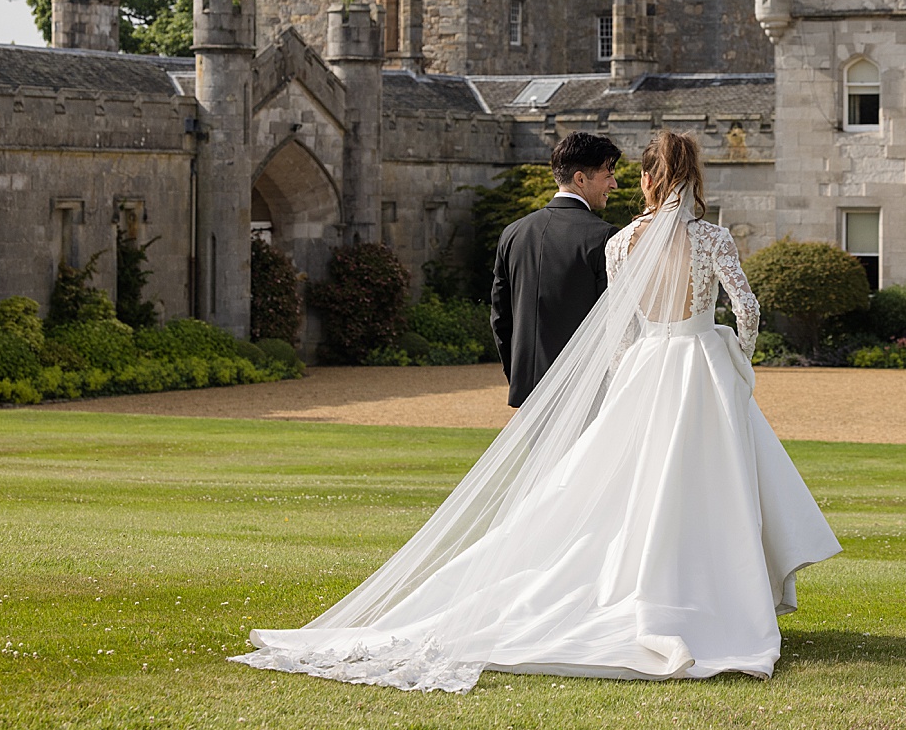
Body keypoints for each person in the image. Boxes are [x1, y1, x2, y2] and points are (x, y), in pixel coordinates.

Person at [231, 131, 841, 693]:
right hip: (700, 363)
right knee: (710, 485)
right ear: (695, 177)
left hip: (645, 367)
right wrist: (736, 355)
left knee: (623, 491)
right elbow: (749, 309)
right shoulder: (710, 237)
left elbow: (619, 325)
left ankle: (626, 591)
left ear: (649, 179)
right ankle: (712, 600)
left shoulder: (624, 241)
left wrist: (634, 363)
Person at [491, 132, 621, 407]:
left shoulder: (513, 233)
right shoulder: (606, 237)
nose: (614, 183)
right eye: (607, 174)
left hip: (528, 392)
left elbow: (500, 319)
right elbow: (614, 324)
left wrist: (520, 378)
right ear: (580, 179)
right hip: (586, 394)